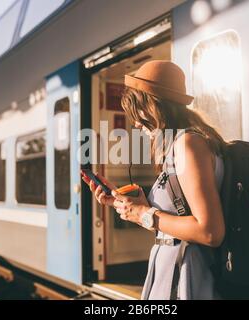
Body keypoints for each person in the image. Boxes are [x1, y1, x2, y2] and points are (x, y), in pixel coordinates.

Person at [84, 60, 228, 300]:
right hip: (174, 268)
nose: (136, 123)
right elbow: (176, 218)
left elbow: (210, 231)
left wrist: (144, 214)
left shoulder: (187, 144)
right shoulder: (178, 145)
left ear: (155, 106)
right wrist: (130, 206)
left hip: (188, 274)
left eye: (137, 112)